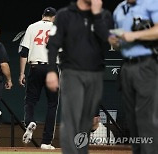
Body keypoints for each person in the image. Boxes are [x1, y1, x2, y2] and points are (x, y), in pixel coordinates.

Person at [45, 0, 112, 153]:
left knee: (86, 121)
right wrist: (51, 71)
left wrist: (96, 15)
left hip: (95, 74)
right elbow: (53, 44)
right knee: (71, 119)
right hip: (72, 72)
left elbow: (106, 39)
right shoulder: (65, 15)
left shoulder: (104, 15)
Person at [108, 0, 158, 153]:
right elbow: (115, 33)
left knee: (147, 118)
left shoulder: (151, 3)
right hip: (127, 66)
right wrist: (113, 40)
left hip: (147, 64)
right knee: (132, 119)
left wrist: (135, 35)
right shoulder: (119, 8)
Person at [19, 7, 58, 150]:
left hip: (35, 67)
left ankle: (29, 121)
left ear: (43, 16)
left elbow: (24, 52)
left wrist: (22, 73)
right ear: (54, 17)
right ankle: (46, 142)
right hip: (52, 68)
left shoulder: (32, 26)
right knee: (52, 104)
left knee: (30, 100)